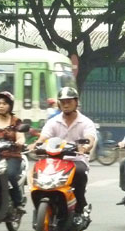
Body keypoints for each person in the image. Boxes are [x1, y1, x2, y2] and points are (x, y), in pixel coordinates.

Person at [29, 87, 96, 220]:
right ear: (59, 104)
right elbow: (43, 137)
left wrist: (85, 146)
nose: (66, 104)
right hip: (54, 160)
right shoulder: (53, 122)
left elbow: (90, 138)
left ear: (76, 102)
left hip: (76, 160)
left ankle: (80, 206)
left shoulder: (86, 122)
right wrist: (35, 145)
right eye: (63, 101)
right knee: (37, 171)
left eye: (69, 101)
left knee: (80, 173)